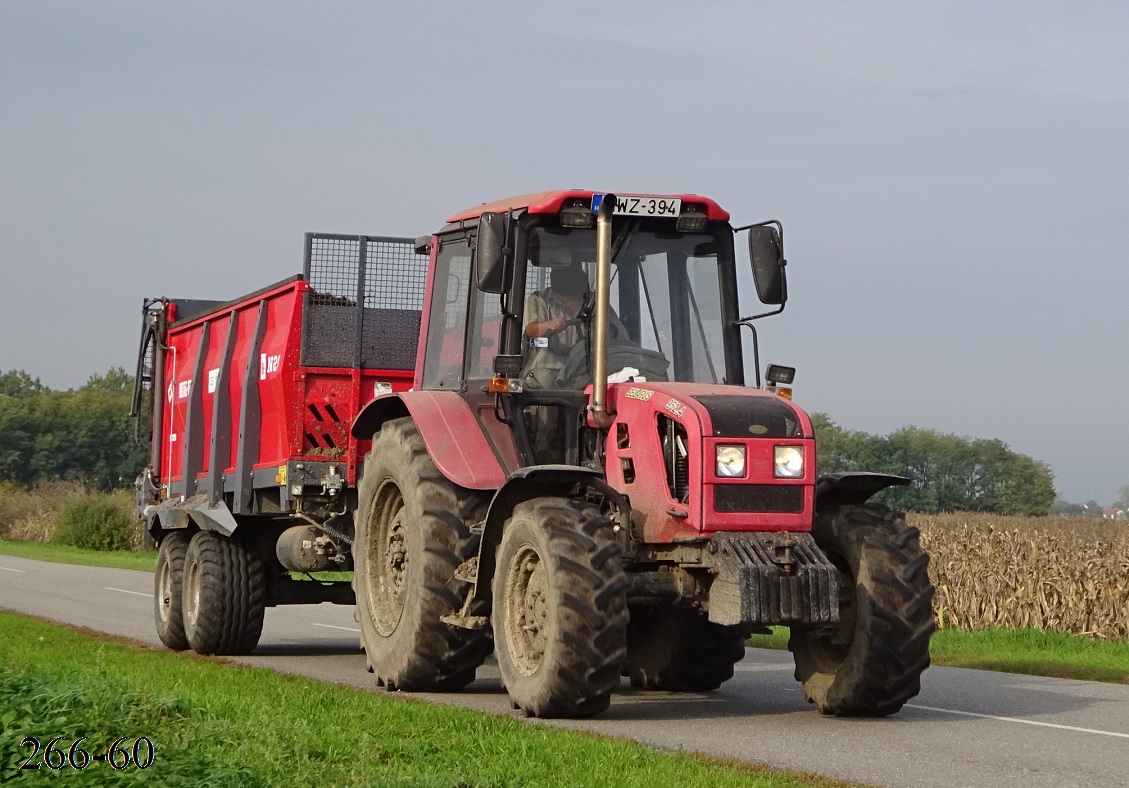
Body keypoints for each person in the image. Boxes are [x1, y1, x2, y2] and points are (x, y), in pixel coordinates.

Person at [522, 263, 590, 389]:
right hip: (548, 370)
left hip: (585, 370)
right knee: (544, 381)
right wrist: (548, 325)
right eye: (564, 266)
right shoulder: (540, 299)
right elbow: (531, 330)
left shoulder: (596, 302)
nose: (570, 273)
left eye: (573, 267)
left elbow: (618, 333)